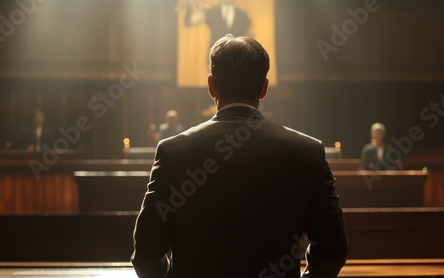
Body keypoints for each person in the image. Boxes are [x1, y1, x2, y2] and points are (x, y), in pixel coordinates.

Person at [131, 35, 348, 278]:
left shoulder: (172, 151)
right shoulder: (308, 151)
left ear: (211, 86)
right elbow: (333, 251)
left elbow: (146, 256)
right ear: (264, 88)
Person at [184, 0, 251, 49]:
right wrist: (190, 4)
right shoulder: (212, 12)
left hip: (237, 57)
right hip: (216, 55)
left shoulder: (242, 15)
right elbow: (189, 22)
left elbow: (250, 35)